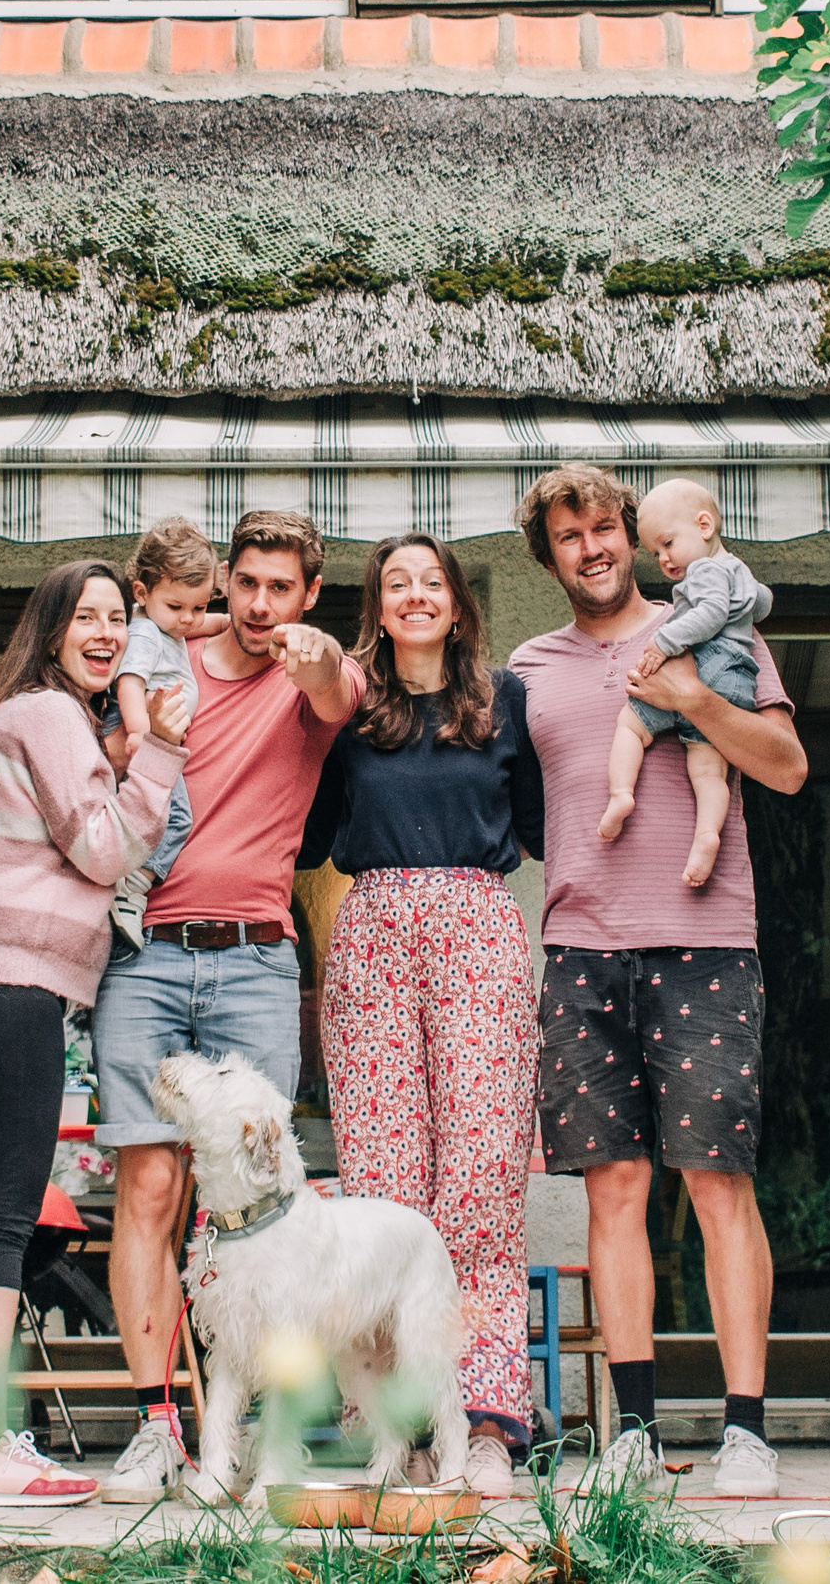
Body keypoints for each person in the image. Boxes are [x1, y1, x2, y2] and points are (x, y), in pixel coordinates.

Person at [506, 464, 807, 1498]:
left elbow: (785, 765)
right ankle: (629, 1433)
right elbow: (497, 802)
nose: (591, 546)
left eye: (604, 527)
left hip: (707, 942)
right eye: (569, 535)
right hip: (580, 951)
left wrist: (686, 698)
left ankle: (745, 1432)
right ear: (546, 555)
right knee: (614, 1191)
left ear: (632, 536)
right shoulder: (526, 669)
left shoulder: (711, 624)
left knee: (720, 1187)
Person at [91, 509, 363, 1504]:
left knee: (255, 1207)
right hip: (145, 957)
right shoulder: (166, 656)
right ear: (221, 586)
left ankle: (248, 1436)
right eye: (242, 585)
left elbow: (340, 685)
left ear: (306, 596)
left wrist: (315, 654)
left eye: (278, 589)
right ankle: (156, 1426)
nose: (256, 605)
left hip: (255, 965)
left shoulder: (313, 686)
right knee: (150, 1195)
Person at [0, 558, 189, 1505]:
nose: (108, 632)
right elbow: (106, 846)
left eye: (120, 617)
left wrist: (117, 755)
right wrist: (157, 756)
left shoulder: (26, 716)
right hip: (9, 991)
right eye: (88, 617)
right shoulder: (51, 714)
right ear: (52, 627)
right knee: (0, 1219)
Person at [303, 532, 546, 1498]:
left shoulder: (504, 698)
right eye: (395, 582)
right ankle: (395, 1425)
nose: (414, 594)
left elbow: (535, 827)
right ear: (377, 603)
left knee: (481, 1181)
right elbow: (314, 832)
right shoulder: (350, 708)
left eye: (430, 580)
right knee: (384, 1190)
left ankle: (486, 1422)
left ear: (456, 600)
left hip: (478, 928)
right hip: (370, 934)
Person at [601, 478, 774, 887]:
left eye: (667, 543)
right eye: (657, 551)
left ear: (704, 525)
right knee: (709, 771)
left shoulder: (706, 570)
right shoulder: (736, 570)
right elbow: (762, 605)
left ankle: (621, 794)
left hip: (704, 664)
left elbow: (711, 613)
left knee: (631, 725)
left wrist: (664, 641)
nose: (663, 559)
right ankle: (707, 835)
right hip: (736, 680)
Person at [102, 516, 233, 950]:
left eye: (198, 606)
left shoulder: (167, 623)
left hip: (157, 738)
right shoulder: (145, 634)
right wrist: (143, 734)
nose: (189, 619)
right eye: (178, 607)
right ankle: (131, 887)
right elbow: (129, 683)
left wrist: (232, 624)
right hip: (146, 735)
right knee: (176, 820)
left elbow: (207, 624)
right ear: (141, 592)